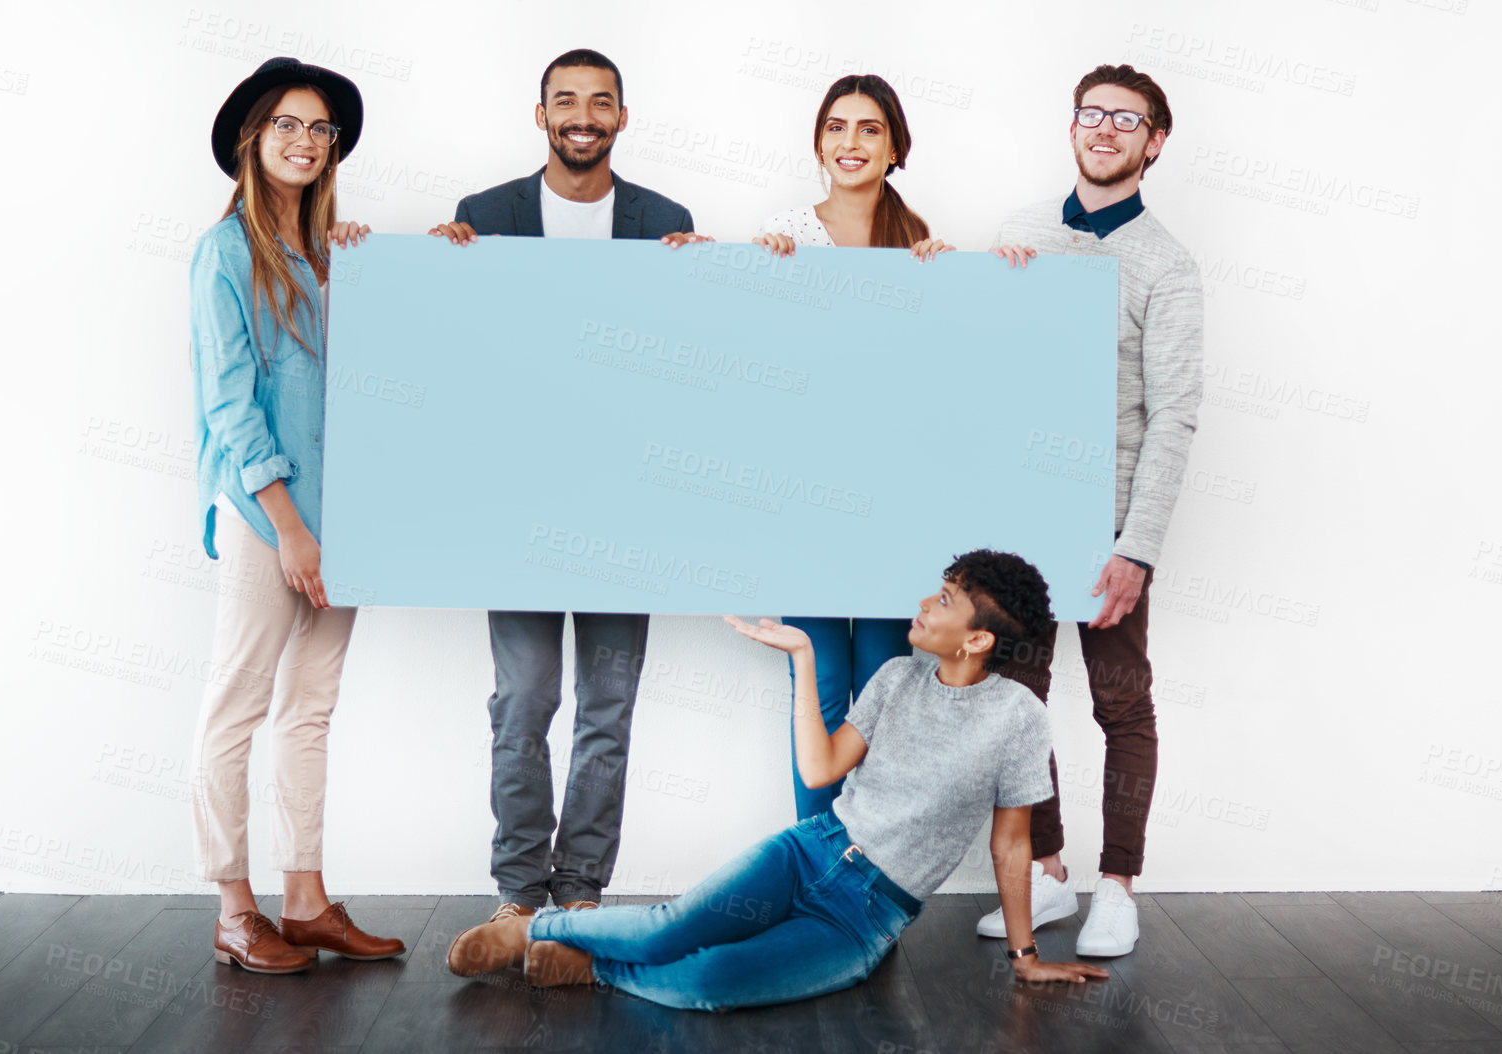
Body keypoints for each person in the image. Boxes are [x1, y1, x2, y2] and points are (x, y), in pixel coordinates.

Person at [444, 551, 1110, 1011]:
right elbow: (822, 770)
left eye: (943, 600)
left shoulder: (1020, 720)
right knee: (669, 928)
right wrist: (802, 656)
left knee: (714, 980)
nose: (922, 603)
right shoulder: (895, 678)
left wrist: (1025, 954)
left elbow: (1011, 845)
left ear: (977, 640)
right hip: (810, 850)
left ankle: (590, 964)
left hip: (867, 916)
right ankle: (530, 929)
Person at [427, 48, 709, 927]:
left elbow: (687, 364)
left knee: (608, 707)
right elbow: (459, 351)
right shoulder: (485, 215)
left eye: (600, 102)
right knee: (523, 702)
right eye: (565, 101)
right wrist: (437, 271)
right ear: (540, 113)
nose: (582, 116)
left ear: (622, 117)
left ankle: (580, 891)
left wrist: (702, 282)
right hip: (520, 504)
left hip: (630, 507)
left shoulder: (666, 220)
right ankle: (518, 893)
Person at [978, 63, 1204, 957]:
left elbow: (1175, 414)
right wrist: (991, 291)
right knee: (1018, 704)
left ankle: (1118, 886)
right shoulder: (1019, 235)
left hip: (1107, 522)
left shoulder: (1168, 267)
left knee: (1122, 701)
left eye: (1127, 119)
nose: (1104, 129)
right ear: (1071, 127)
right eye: (1091, 113)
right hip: (1022, 518)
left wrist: (1137, 547)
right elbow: (978, 369)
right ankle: (1048, 872)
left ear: (1154, 143)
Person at [188, 56, 403, 974]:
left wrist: (379, 264)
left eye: (320, 129)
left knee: (310, 709)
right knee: (235, 705)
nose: (306, 141)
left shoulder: (333, 253)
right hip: (267, 515)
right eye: (289, 125)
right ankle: (236, 908)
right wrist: (289, 526)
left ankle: (305, 900)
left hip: (340, 516)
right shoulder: (225, 253)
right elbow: (231, 404)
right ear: (253, 138)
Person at [752, 74, 953, 822]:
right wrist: (758, 276)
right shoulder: (787, 236)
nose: (850, 143)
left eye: (869, 129)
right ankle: (809, 868)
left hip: (889, 505)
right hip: (805, 497)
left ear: (895, 147)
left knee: (885, 692)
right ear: (817, 142)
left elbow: (938, 382)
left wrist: (963, 285)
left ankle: (870, 869)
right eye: (837, 127)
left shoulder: (918, 243)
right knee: (819, 687)